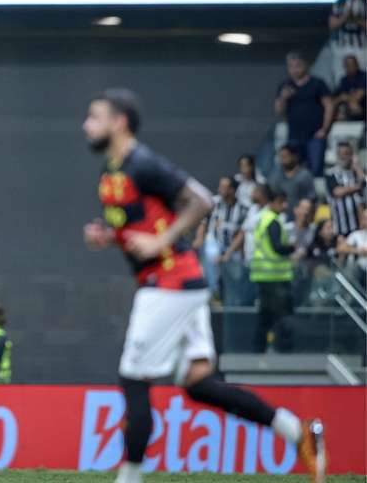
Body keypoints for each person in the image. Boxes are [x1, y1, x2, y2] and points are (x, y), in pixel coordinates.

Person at [81, 89, 324, 483]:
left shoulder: (143, 163)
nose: (86, 125)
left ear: (119, 122)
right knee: (198, 384)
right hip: (180, 282)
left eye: (94, 117)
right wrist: (109, 235)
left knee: (133, 377)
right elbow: (142, 222)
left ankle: (129, 477)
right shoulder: (112, 172)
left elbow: (200, 201)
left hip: (169, 282)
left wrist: (160, 243)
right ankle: (298, 433)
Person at [251, 189, 296, 353]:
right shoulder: (273, 221)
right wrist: (292, 248)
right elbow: (277, 247)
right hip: (275, 277)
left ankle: (258, 349)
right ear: (275, 202)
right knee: (283, 316)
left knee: (265, 316)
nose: (285, 206)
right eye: (283, 202)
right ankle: (284, 349)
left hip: (264, 276)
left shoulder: (263, 219)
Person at [274, 52, 333, 176]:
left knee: (316, 168)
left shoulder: (317, 83)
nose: (295, 70)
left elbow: (329, 106)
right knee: (294, 169)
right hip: (294, 135)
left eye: (298, 65)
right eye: (291, 66)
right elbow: (279, 111)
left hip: (315, 134)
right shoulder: (285, 86)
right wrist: (283, 98)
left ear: (306, 65)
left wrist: (324, 129)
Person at [195, 177, 247, 302]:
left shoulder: (243, 208)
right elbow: (203, 223)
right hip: (215, 241)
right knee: (210, 253)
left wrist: (228, 253)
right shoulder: (213, 203)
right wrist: (199, 239)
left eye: (224, 187)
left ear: (233, 190)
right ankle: (214, 293)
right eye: (220, 186)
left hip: (234, 246)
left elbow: (242, 234)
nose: (220, 189)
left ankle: (236, 301)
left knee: (237, 273)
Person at [224, 184, 270, 306]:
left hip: (263, 264)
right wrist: (229, 252)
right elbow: (242, 232)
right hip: (249, 260)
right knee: (245, 296)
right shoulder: (252, 209)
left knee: (261, 297)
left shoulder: (270, 212)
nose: (251, 194)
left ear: (262, 194)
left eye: (255, 191)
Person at [328, 0, 366, 87]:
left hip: (363, 46)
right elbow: (332, 25)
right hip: (342, 45)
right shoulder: (340, 3)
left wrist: (355, 19)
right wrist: (345, 17)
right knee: (340, 75)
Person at [327, 141, 366, 238]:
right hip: (340, 227)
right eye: (341, 154)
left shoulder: (357, 173)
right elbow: (338, 192)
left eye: (347, 154)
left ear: (352, 155)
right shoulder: (331, 174)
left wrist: (357, 166)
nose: (343, 157)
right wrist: (358, 186)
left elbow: (364, 183)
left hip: (358, 227)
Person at [268, 144, 316, 219]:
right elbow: (271, 195)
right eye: (281, 157)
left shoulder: (304, 176)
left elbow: (310, 199)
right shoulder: (276, 175)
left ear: (294, 157)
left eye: (285, 156)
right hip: (280, 217)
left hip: (298, 219)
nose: (282, 159)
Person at [337, 205, 367, 286]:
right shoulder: (355, 235)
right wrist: (358, 251)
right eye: (364, 218)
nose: (365, 220)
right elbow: (341, 249)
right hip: (356, 270)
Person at [334, 56, 366, 122]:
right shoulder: (344, 80)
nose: (350, 67)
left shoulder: (364, 76)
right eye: (347, 65)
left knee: (354, 105)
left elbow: (359, 95)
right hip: (348, 110)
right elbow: (337, 98)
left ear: (357, 64)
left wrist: (346, 97)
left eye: (352, 64)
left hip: (363, 108)